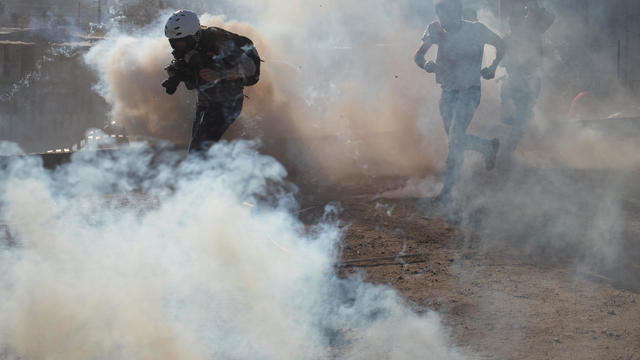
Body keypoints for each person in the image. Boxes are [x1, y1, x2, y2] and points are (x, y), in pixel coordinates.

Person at [414, 0, 505, 204]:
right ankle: (486, 147)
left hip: (470, 91)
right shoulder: (435, 29)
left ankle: (447, 193)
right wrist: (426, 64)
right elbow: (418, 55)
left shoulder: (476, 30)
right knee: (455, 141)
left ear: (458, 14)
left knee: (455, 139)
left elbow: (501, 44)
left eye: (448, 15)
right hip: (447, 92)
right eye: (441, 16)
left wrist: (492, 67)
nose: (444, 20)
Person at [163, 10, 260, 153]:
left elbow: (249, 68)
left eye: (181, 43)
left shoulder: (219, 42)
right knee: (196, 149)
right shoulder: (188, 50)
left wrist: (220, 74)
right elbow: (195, 82)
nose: (177, 47)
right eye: (173, 43)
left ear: (194, 36)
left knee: (198, 152)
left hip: (228, 102)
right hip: (205, 101)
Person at [500, 0, 554, 156]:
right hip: (511, 80)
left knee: (522, 117)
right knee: (507, 118)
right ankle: (509, 147)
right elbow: (501, 61)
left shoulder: (533, 33)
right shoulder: (507, 39)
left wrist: (532, 6)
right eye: (511, 20)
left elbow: (550, 17)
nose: (513, 23)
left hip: (529, 81)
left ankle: (509, 149)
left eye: (516, 20)